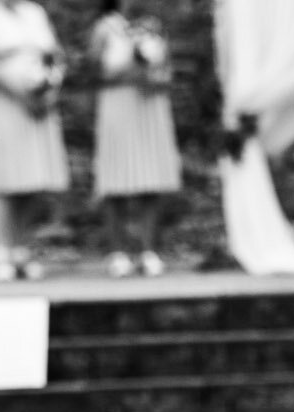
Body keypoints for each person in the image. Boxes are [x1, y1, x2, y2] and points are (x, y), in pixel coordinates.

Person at [0, 0, 69, 281]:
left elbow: (54, 55)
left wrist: (49, 88)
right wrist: (21, 93)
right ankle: (0, 250)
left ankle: (21, 248)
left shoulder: (34, 13)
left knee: (31, 173)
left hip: (37, 101)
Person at [90, 0, 181, 279]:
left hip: (149, 105)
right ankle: (117, 252)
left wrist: (154, 74)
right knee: (116, 179)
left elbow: (167, 67)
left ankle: (148, 250)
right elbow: (94, 70)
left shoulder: (153, 26)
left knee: (150, 178)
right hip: (118, 105)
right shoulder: (105, 28)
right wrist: (131, 62)